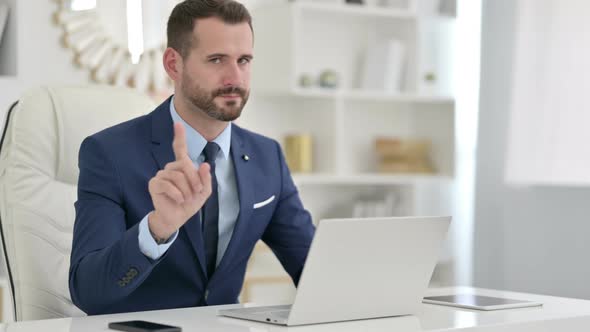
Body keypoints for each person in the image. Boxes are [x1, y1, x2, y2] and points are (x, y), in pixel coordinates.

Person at [69, 0, 315, 315]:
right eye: (216, 60)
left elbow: (312, 266)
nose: (234, 78)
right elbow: (88, 293)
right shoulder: (109, 153)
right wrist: (157, 229)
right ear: (174, 64)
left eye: (244, 60)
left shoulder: (267, 156)